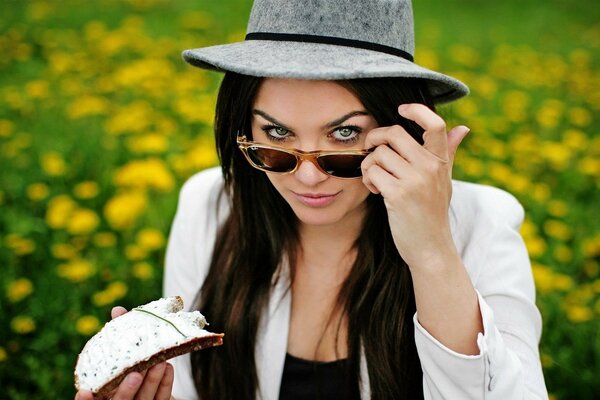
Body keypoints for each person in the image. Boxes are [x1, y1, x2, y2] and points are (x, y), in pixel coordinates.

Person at [76, 0, 549, 399]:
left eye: (344, 134)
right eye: (276, 135)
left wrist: (431, 250)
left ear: (403, 129)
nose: (306, 177)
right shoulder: (209, 208)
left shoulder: (481, 225)